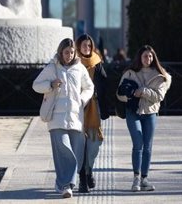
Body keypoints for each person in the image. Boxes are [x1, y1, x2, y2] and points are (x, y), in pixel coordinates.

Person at [33, 38, 94, 198]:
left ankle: (62, 183)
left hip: (76, 118)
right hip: (56, 119)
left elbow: (89, 87)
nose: (69, 55)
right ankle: (67, 185)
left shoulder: (79, 68)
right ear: (61, 52)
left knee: (76, 153)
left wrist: (82, 99)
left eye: (72, 52)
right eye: (66, 52)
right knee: (64, 150)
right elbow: (36, 84)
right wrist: (51, 85)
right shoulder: (53, 67)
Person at [116, 44, 172, 192]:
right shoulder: (129, 73)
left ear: (154, 58)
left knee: (147, 146)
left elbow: (159, 97)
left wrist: (144, 92)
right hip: (133, 112)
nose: (148, 58)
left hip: (150, 113)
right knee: (138, 143)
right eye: (145, 56)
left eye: (150, 56)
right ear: (139, 58)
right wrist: (130, 94)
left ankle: (144, 179)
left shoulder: (160, 75)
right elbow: (119, 94)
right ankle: (136, 178)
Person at [74, 34, 109, 193]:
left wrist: (105, 108)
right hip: (77, 108)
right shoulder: (73, 62)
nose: (86, 48)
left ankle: (89, 170)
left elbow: (104, 87)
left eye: (89, 45)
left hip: (94, 108)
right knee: (80, 145)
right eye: (83, 46)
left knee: (94, 145)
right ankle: (82, 179)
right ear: (78, 46)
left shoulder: (97, 62)